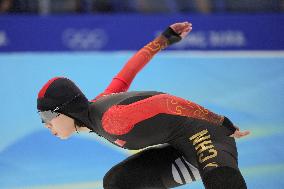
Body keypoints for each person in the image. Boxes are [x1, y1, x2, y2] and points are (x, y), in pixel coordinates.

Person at [37, 21, 250, 189]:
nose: (46, 125)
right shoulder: (98, 105)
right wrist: (164, 39)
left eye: (46, 116)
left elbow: (165, 102)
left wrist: (220, 121)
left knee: (222, 182)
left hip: (207, 135)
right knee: (116, 182)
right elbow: (127, 72)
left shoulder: (112, 119)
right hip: (178, 149)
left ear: (65, 110)